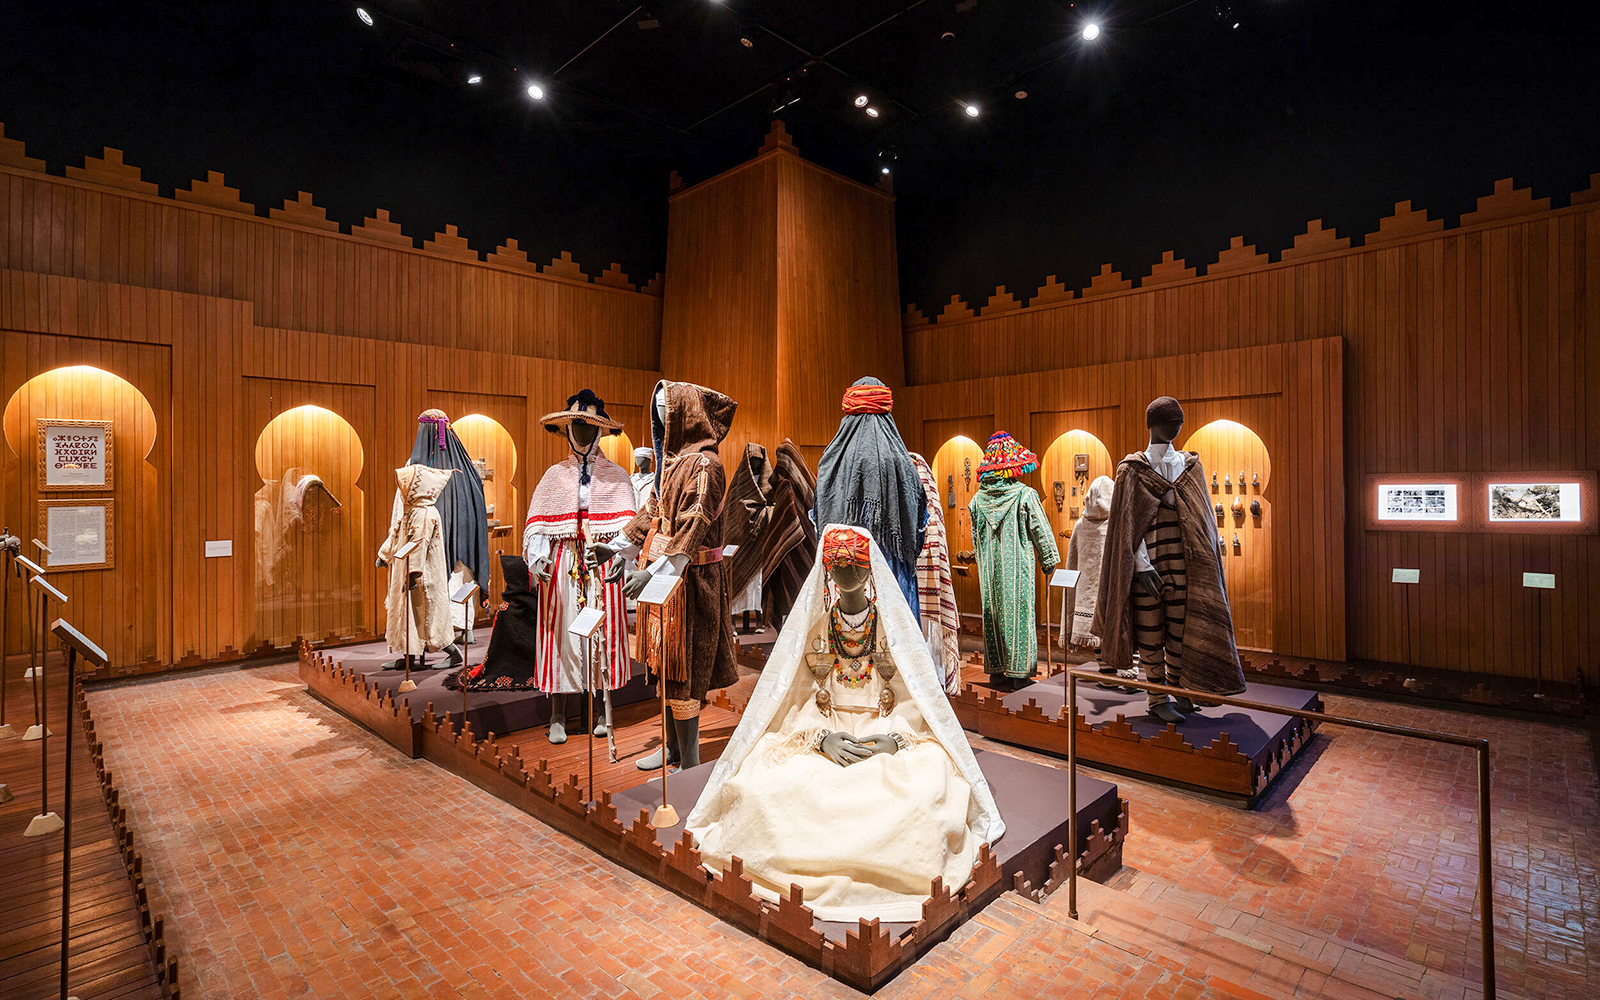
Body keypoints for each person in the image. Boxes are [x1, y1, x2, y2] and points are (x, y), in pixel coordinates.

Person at [683, 525, 1003, 923]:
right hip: (827, 729)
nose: (846, 573)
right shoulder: (817, 632)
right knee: (768, 785)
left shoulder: (894, 634)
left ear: (871, 571)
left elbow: (912, 699)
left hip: (885, 731)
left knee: (921, 789)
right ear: (826, 571)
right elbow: (797, 699)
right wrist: (820, 737)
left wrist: (895, 740)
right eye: (837, 565)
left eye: (855, 565)